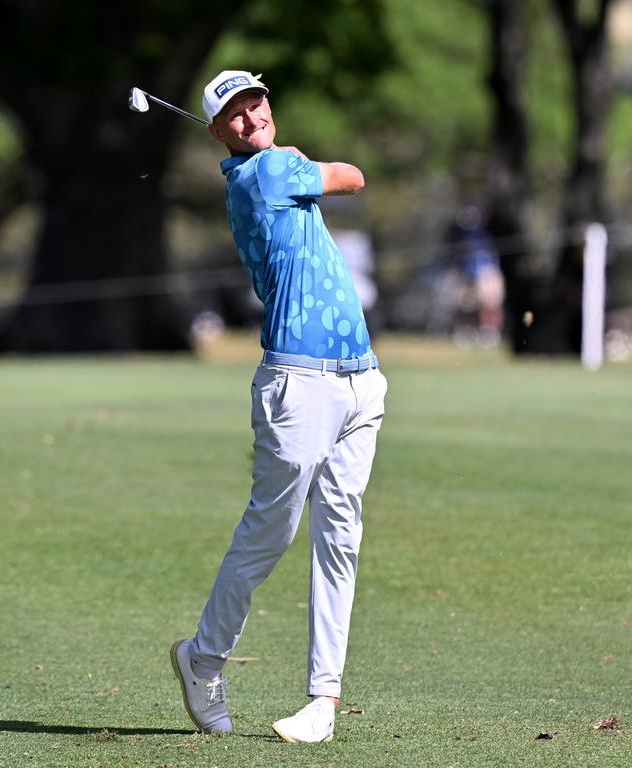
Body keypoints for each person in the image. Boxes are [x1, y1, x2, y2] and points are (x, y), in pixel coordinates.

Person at [170, 70, 388, 744]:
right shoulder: (268, 172)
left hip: (361, 379)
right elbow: (352, 176)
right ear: (216, 132)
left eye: (255, 102)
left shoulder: (277, 172)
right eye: (232, 113)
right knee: (271, 531)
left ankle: (323, 700)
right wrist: (306, 164)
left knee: (340, 539)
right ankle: (202, 659)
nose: (249, 116)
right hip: (299, 384)